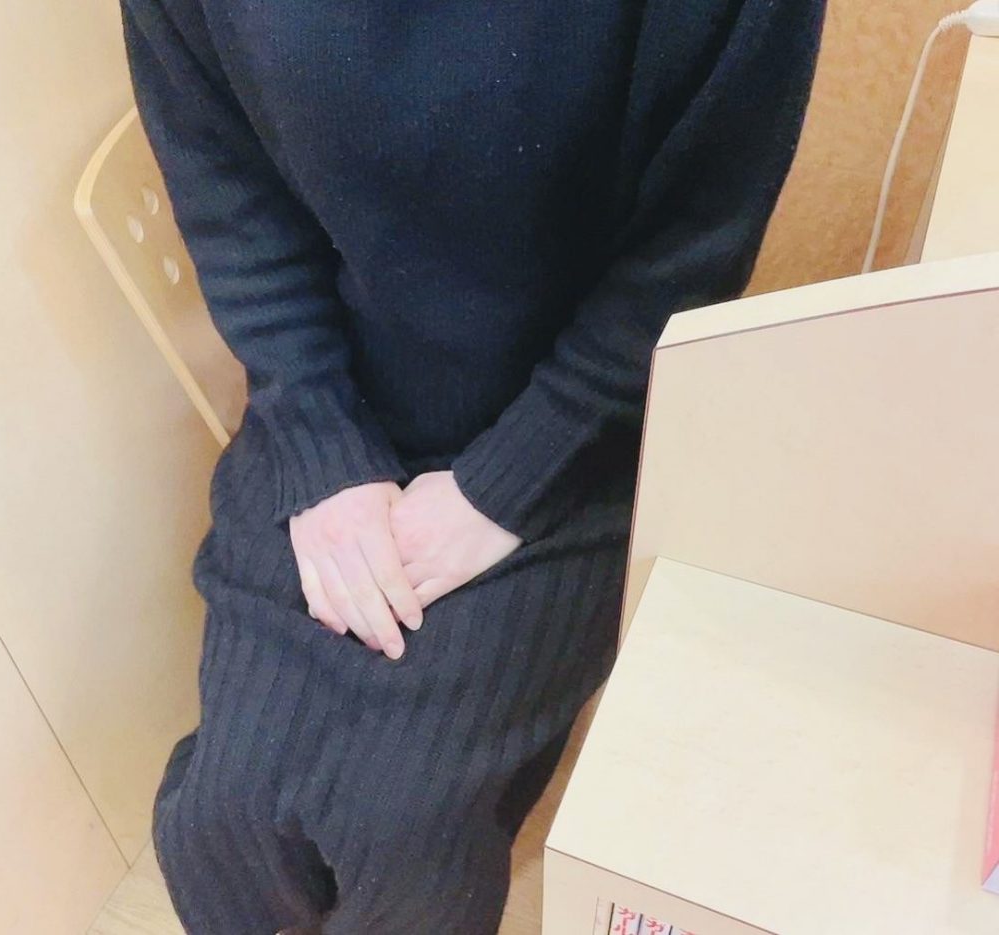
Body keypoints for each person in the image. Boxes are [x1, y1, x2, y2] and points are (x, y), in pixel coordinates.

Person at [118, 1, 827, 932]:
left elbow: (691, 250)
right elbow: (233, 205)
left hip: (583, 424)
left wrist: (509, 483)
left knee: (403, 829)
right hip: (332, 401)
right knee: (219, 821)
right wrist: (323, 449)